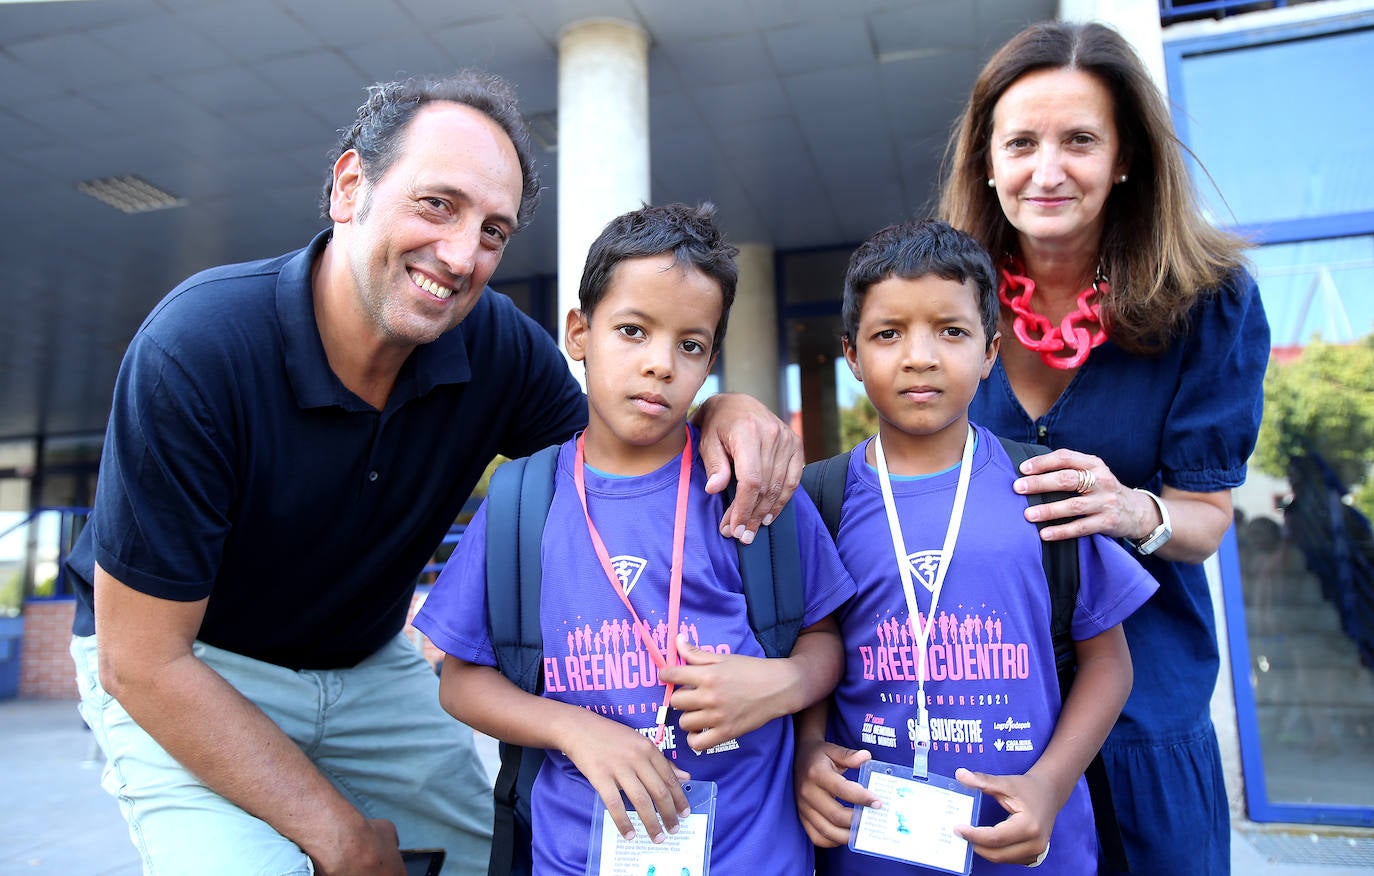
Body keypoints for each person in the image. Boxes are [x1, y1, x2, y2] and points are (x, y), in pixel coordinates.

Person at [65, 72, 803, 876]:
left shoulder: (494, 347)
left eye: (494, 231)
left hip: (367, 665)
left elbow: (621, 447)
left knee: (493, 858)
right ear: (350, 187)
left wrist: (720, 411)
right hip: (190, 669)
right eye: (437, 205)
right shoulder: (198, 349)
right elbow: (139, 661)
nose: (461, 256)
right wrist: (338, 832)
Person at [412, 203, 855, 875]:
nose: (660, 365)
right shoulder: (524, 501)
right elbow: (459, 680)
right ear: (579, 333)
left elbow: (826, 636)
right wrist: (571, 728)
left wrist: (785, 682)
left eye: (691, 345)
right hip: (575, 859)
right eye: (632, 331)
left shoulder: (748, 490)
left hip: (753, 858)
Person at [938, 22, 1271, 875]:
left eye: (1079, 141)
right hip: (986, 720)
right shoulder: (941, 296)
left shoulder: (1210, 301)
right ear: (985, 159)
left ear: (1124, 158)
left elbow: (1206, 520)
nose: (1047, 171)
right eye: (1021, 143)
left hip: (1146, 726)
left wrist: (1129, 508)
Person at [793, 218, 1158, 874]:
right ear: (850, 355)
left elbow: (1111, 665)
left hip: (1032, 850)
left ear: (991, 351)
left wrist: (1049, 785)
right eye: (888, 334)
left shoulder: (1045, 486)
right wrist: (809, 751)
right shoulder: (820, 502)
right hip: (871, 849)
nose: (920, 356)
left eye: (951, 331)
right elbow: (814, 653)